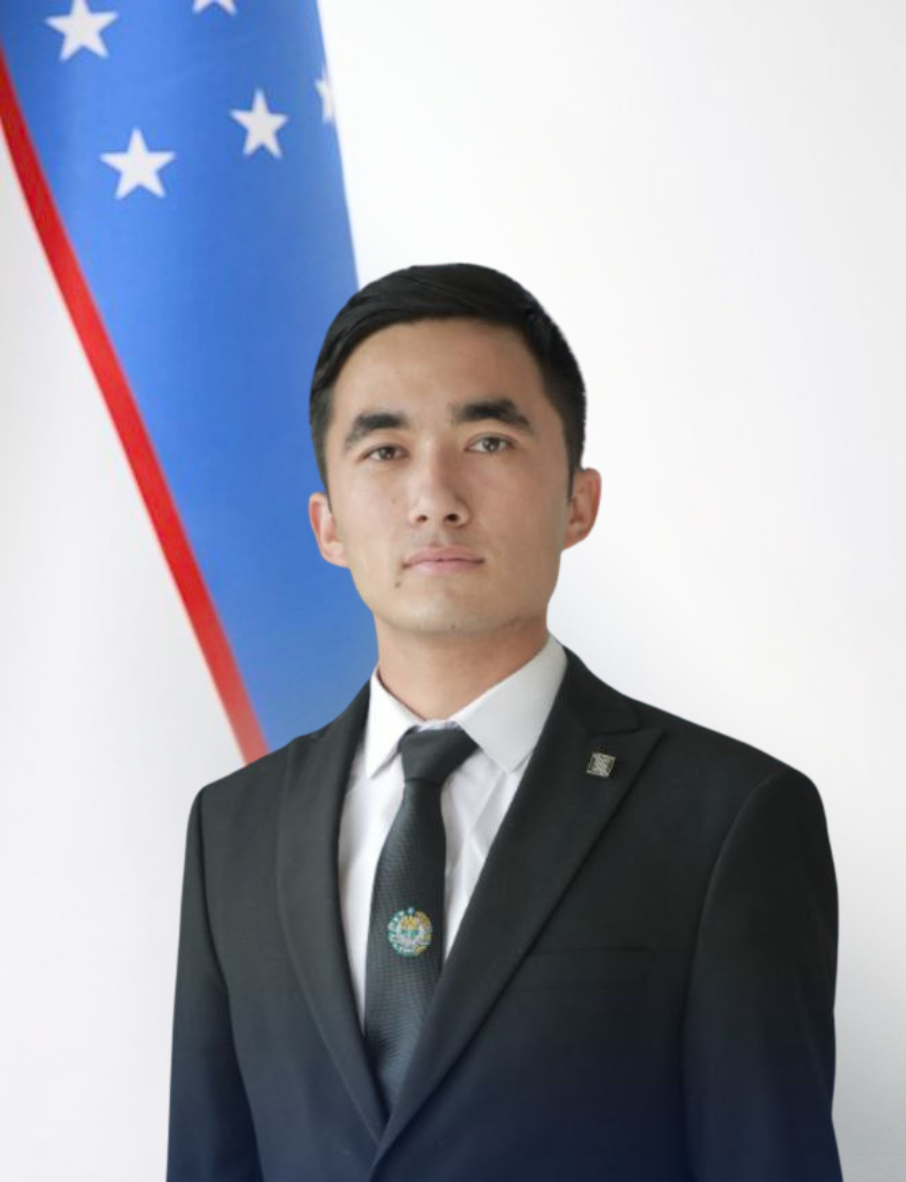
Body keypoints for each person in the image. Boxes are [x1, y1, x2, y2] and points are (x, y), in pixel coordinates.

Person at [166, 263, 843, 1181]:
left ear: (577, 502)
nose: (435, 497)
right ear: (327, 525)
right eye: (385, 450)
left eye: (487, 441)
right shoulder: (233, 828)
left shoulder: (728, 817)